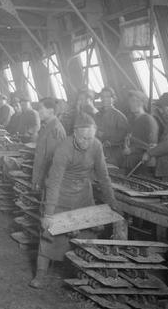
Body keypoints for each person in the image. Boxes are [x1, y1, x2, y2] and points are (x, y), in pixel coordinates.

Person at [30, 114, 117, 288]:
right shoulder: (64, 148)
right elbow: (54, 182)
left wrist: (113, 204)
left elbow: (103, 177)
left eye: (90, 138)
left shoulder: (96, 146)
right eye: (83, 138)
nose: (87, 142)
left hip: (83, 193)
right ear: (75, 133)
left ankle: (83, 273)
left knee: (88, 233)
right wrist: (49, 214)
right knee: (50, 234)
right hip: (60, 193)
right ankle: (40, 275)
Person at [30, 98, 66, 195]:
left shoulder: (55, 129)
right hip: (43, 177)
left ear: (51, 111)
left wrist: (39, 180)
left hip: (49, 179)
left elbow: (50, 159)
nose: (38, 112)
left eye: (41, 108)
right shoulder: (46, 127)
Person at [121, 89, 159, 176]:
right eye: (131, 101)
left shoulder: (148, 120)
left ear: (142, 103)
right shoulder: (132, 119)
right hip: (132, 162)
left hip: (143, 163)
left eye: (135, 101)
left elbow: (152, 145)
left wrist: (131, 150)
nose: (132, 104)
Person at [94, 87, 129, 167]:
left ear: (113, 98)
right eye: (102, 97)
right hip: (98, 150)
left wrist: (109, 140)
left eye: (107, 96)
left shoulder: (119, 116)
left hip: (113, 153)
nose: (104, 99)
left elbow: (123, 135)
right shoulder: (97, 116)